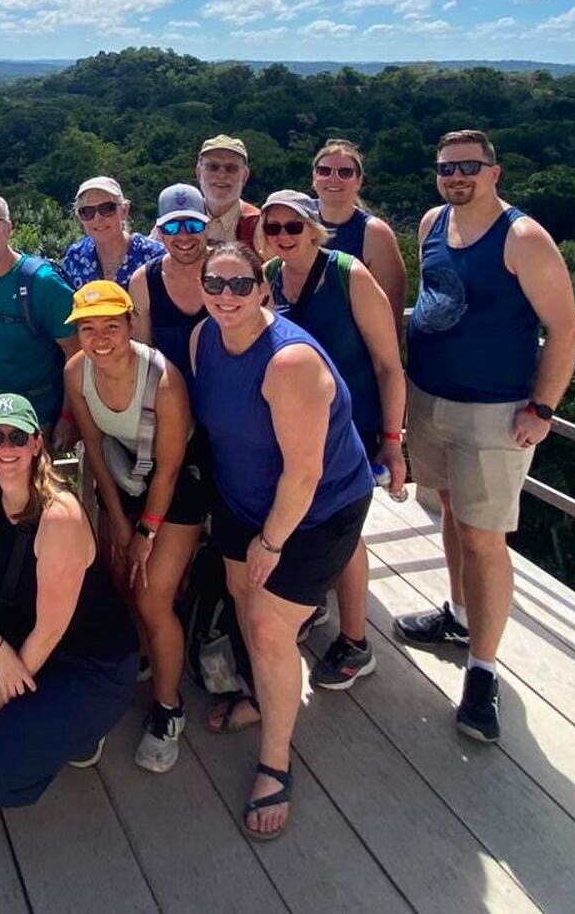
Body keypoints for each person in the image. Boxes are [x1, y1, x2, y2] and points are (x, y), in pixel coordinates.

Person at [395, 130, 575, 744]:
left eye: (469, 166)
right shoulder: (432, 223)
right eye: (447, 166)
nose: (456, 176)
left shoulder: (522, 238)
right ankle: (458, 614)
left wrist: (544, 407)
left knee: (485, 537)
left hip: (494, 410)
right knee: (448, 509)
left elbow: (565, 328)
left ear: (495, 171)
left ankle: (483, 668)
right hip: (429, 397)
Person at [189, 238, 374, 841]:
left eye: (240, 284)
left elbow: (305, 472)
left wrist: (270, 544)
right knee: (243, 604)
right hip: (245, 500)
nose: (225, 296)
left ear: (264, 290)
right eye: (214, 284)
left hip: (316, 512)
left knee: (271, 629)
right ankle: (266, 698)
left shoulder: (288, 361)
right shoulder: (202, 340)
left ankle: (276, 761)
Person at [0, 394, 139, 807]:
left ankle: (69, 728)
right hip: (25, 635)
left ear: (36, 444)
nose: (7, 448)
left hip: (88, 662)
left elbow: (51, 629)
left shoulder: (58, 516)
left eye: (18, 437)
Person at [256, 190, 406, 691]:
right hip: (298, 429)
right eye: (273, 229)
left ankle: (356, 642)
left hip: (353, 428)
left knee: (347, 533)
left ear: (314, 228)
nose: (282, 237)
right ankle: (315, 602)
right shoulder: (272, 277)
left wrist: (392, 439)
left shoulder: (348, 274)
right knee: (308, 520)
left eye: (293, 227)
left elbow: (389, 363)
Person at [61, 281, 203, 773]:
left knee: (150, 596)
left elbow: (168, 469)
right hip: (123, 477)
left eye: (110, 326)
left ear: (130, 326)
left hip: (176, 480)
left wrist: (145, 533)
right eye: (88, 327)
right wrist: (120, 526)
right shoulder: (77, 372)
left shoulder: (163, 381)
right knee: (118, 578)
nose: (100, 338)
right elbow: (95, 449)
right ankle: (138, 657)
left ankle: (169, 707)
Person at [0, 191, 78, 436]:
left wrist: (68, 416)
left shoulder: (43, 282)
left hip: (39, 416)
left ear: (8, 227)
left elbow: (76, 354)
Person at [310, 138, 407, 317]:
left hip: (354, 341)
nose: (333, 178)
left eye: (345, 172)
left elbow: (391, 308)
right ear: (314, 177)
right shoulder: (296, 221)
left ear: (359, 181)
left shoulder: (374, 233)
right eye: (324, 171)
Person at [129, 183, 210, 383]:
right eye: (172, 227)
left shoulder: (230, 270)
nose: (183, 235)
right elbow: (143, 357)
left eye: (193, 225)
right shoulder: (143, 282)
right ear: (160, 232)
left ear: (207, 226)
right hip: (169, 394)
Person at [60, 175, 164, 289]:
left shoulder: (154, 256)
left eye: (107, 208)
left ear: (124, 210)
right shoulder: (75, 257)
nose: (97, 218)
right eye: (87, 212)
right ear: (80, 218)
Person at [195, 134, 261, 245]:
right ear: (198, 172)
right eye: (213, 167)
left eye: (231, 168)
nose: (221, 175)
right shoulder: (180, 219)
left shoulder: (257, 225)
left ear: (245, 175)